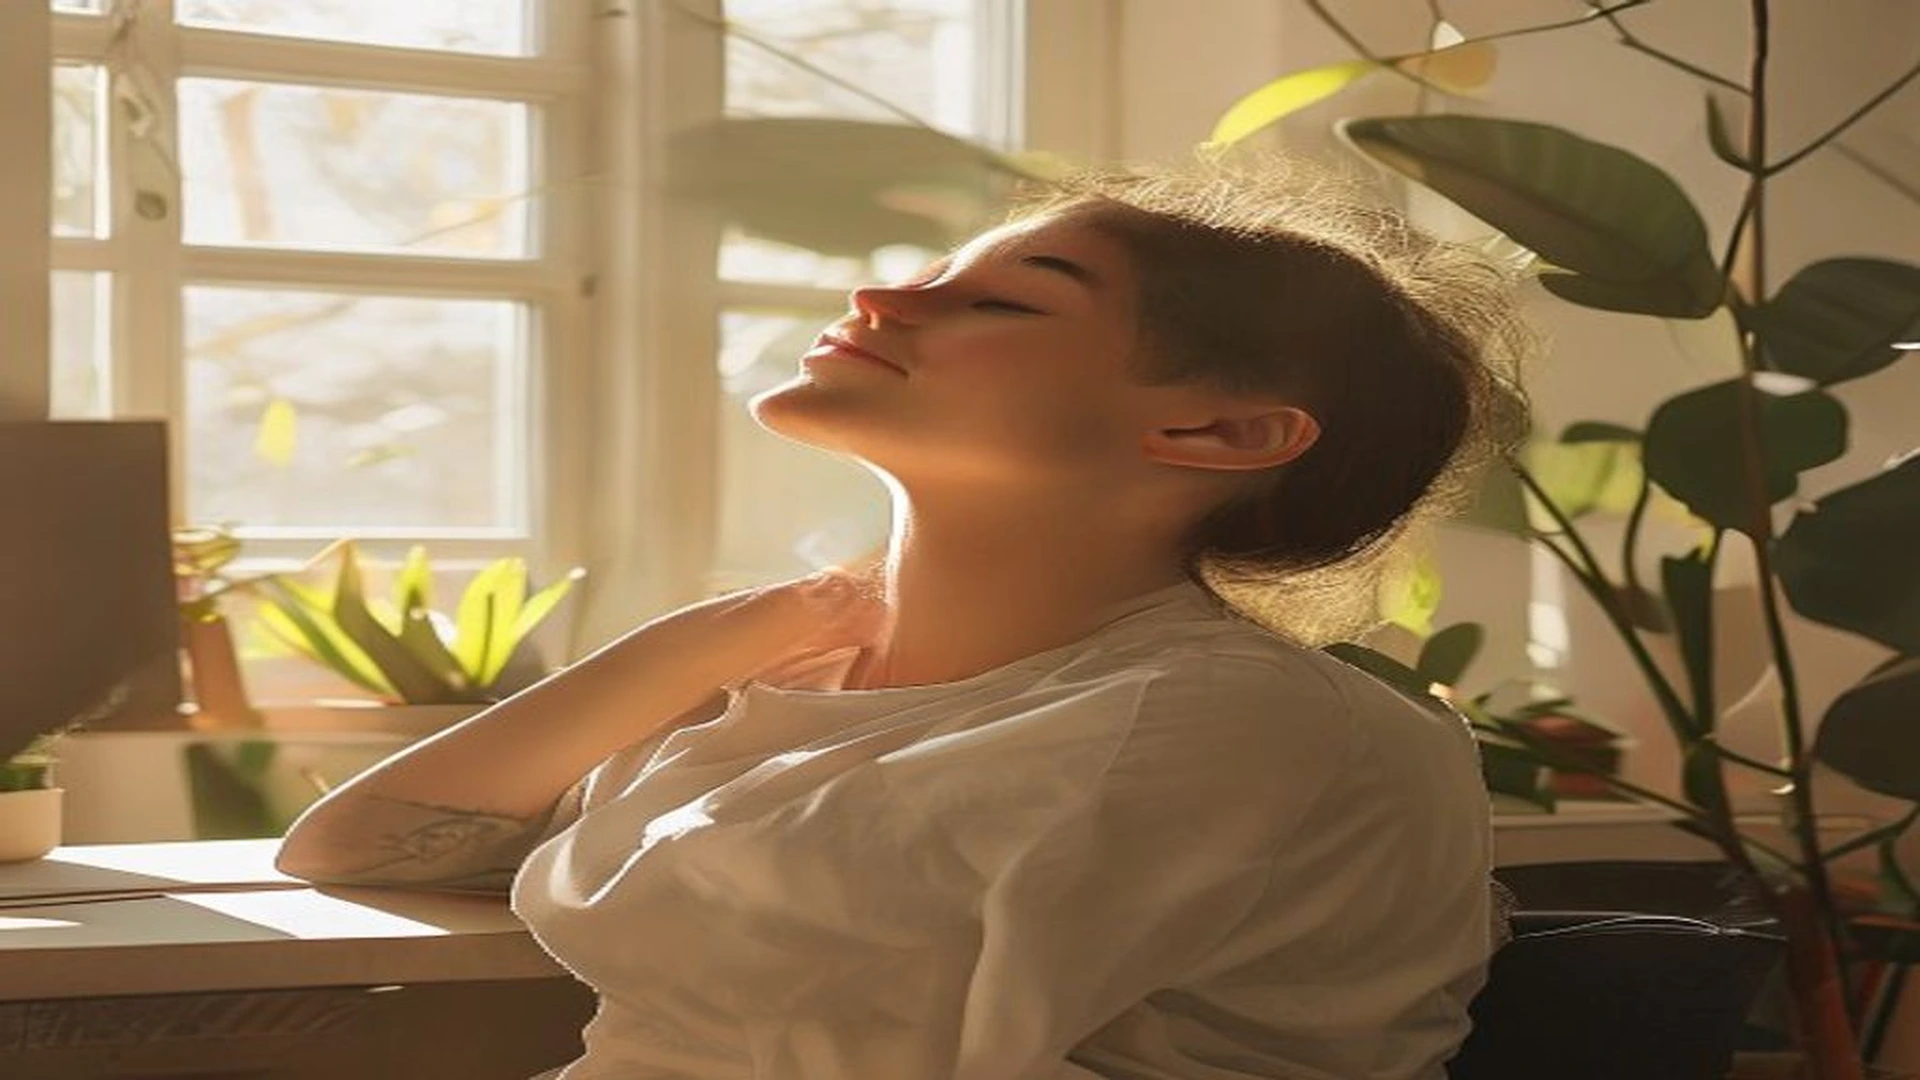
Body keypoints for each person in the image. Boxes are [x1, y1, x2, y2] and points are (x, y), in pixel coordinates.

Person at [275, 160, 1530, 1080]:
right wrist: (735, 628)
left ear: (1218, 432)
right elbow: (357, 846)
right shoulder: (809, 685)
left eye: (1003, 301)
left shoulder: (1225, 724)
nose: (883, 297)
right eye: (937, 273)